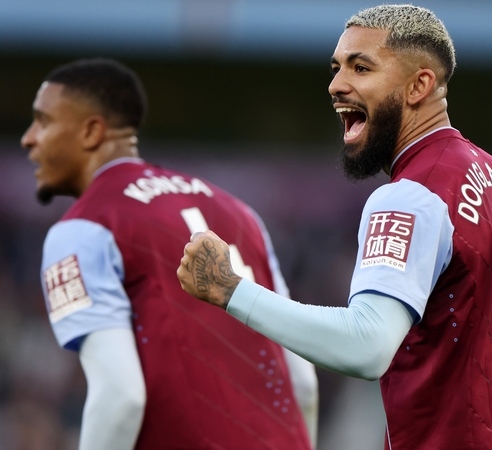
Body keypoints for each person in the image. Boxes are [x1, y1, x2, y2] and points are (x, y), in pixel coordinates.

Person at [177, 5, 492, 449]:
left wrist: (231, 290)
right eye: (336, 67)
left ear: (420, 85)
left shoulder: (414, 194)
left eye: (361, 68)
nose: (337, 85)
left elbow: (366, 344)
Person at [22, 58, 318, 450]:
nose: (29, 137)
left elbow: (121, 397)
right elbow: (302, 379)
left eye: (43, 121)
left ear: (91, 131)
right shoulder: (238, 211)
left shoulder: (84, 228)